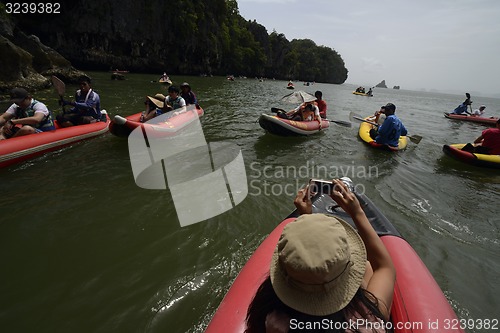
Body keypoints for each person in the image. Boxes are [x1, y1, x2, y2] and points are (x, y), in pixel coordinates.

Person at [245, 179, 396, 333]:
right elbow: (384, 268)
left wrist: (306, 218)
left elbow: (308, 269)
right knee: (367, 267)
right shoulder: (366, 323)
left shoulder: (269, 317)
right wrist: (357, 212)